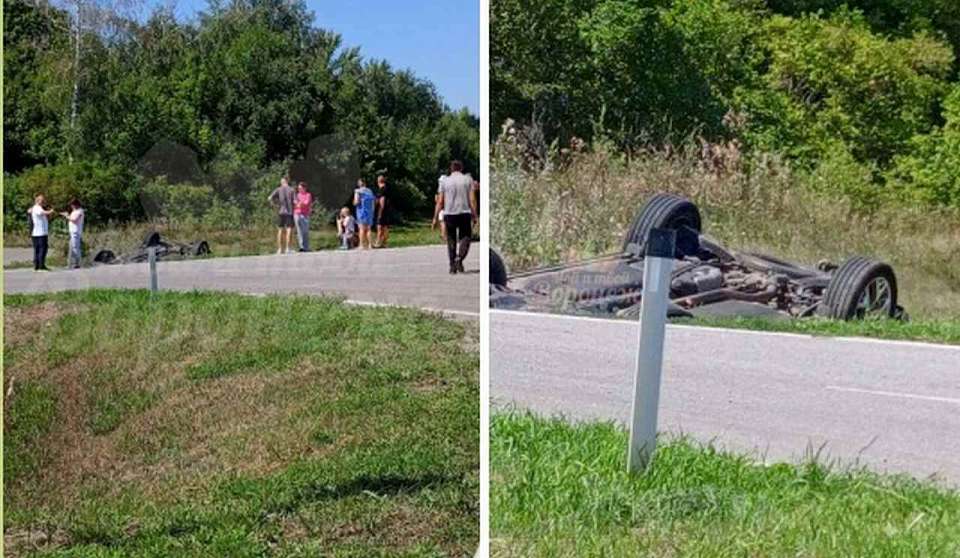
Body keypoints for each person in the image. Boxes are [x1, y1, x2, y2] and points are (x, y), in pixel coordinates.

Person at [436, 161, 478, 274]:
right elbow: (472, 199)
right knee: (466, 237)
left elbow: (440, 201)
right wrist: (475, 214)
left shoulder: (444, 181)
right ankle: (459, 258)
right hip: (464, 212)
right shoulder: (468, 179)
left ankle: (452, 266)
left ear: (451, 169)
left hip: (449, 213)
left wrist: (435, 217)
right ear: (461, 168)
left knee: (451, 239)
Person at [268, 177, 295, 254]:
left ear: (283, 181)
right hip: (289, 212)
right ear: (287, 181)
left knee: (280, 230)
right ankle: (287, 248)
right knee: (289, 229)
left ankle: (279, 249)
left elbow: (269, 198)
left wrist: (274, 205)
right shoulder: (291, 190)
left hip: (281, 212)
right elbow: (295, 201)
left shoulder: (278, 189)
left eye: (281, 181)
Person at [27, 194, 55, 272]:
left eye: (43, 200)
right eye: (42, 201)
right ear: (37, 201)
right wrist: (51, 211)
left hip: (40, 233)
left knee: (39, 249)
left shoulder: (36, 208)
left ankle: (38, 265)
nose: (43, 202)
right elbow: (42, 213)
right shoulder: (37, 208)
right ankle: (40, 266)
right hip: (40, 233)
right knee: (42, 249)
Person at [60, 199, 85, 269]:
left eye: (72, 205)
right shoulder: (75, 211)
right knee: (71, 248)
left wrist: (67, 216)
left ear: (75, 204)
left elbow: (74, 220)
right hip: (72, 232)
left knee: (75, 248)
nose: (71, 207)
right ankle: (71, 264)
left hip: (76, 232)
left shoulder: (80, 211)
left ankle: (78, 263)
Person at [353, 178, 375, 250]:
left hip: (361, 211)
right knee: (369, 229)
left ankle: (362, 245)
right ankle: (370, 245)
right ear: (365, 183)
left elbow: (357, 202)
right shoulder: (370, 191)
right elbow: (373, 202)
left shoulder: (358, 191)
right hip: (370, 212)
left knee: (362, 228)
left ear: (359, 184)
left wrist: (354, 203)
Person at [294, 181, 312, 252]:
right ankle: (301, 247)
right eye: (298, 188)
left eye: (300, 188)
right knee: (299, 231)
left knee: (305, 231)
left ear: (304, 188)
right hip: (297, 214)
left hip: (305, 214)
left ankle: (306, 246)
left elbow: (306, 203)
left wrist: (300, 203)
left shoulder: (308, 195)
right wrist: (299, 203)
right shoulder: (297, 195)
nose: (299, 189)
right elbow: (295, 203)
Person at [374, 175, 391, 248]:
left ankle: (378, 243)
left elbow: (382, 201)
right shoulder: (387, 188)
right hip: (387, 210)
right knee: (385, 227)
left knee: (379, 226)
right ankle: (385, 243)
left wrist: (380, 212)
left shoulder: (382, 189)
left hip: (382, 210)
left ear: (378, 181)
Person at [432, 174, 447, 240]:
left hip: (443, 208)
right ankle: (443, 235)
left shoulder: (441, 189)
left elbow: (439, 201)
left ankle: (444, 236)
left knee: (442, 221)